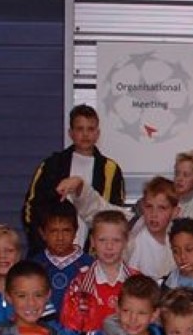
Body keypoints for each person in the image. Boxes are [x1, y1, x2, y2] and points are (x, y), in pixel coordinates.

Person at [23, 104, 125, 255]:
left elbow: (116, 213)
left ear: (98, 133)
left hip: (93, 253)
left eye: (90, 129)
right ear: (70, 133)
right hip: (50, 253)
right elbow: (31, 207)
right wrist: (42, 243)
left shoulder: (110, 170)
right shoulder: (51, 165)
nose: (85, 134)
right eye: (80, 129)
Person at [58, 175, 179, 280]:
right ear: (142, 206)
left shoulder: (178, 243)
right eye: (149, 206)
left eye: (162, 208)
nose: (154, 214)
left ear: (174, 212)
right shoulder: (130, 225)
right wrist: (80, 187)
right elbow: (98, 209)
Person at [60, 210, 138, 333]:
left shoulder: (138, 282)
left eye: (116, 240)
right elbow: (70, 331)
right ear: (92, 241)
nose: (109, 247)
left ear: (126, 241)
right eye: (102, 240)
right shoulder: (79, 285)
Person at [30, 203, 93, 314]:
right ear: (42, 233)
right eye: (53, 231)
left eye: (66, 230)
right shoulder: (34, 266)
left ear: (75, 231)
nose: (60, 238)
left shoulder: (90, 265)